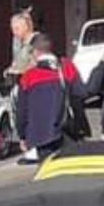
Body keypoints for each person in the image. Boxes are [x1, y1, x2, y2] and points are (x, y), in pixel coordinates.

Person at [14, 34, 80, 163]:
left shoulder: (28, 77)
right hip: (65, 133)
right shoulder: (67, 67)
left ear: (35, 52)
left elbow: (21, 111)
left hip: (40, 136)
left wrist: (22, 135)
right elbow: (81, 93)